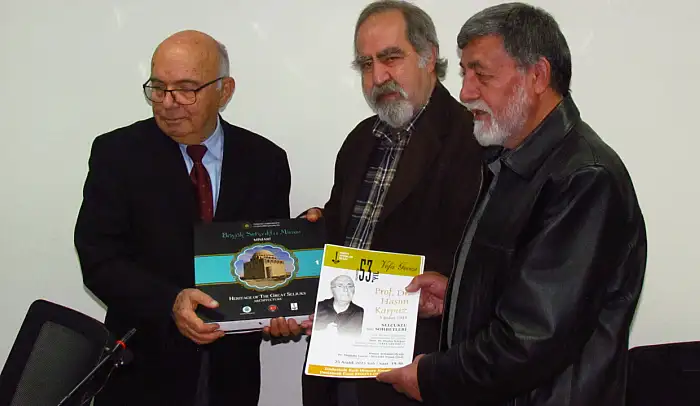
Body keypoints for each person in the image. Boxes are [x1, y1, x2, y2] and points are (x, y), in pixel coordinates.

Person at [375, 3, 648, 405]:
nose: (466, 92)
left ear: (538, 76)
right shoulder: (512, 161)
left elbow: (530, 340)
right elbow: (534, 299)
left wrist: (433, 377)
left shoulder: (585, 179)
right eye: (464, 73)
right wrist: (458, 299)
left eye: (481, 75)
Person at [264, 1, 485, 405]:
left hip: (415, 374)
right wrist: (291, 282)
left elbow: (485, 266)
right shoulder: (360, 139)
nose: (378, 76)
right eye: (366, 64)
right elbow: (343, 238)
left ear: (429, 56)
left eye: (390, 58)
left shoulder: (476, 140)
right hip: (335, 361)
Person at [74, 30, 291, 406]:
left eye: (187, 89)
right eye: (158, 88)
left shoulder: (265, 160)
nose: (169, 103)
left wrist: (281, 306)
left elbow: (269, 258)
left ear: (224, 91)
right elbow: (99, 260)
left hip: (231, 376)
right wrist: (170, 302)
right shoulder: (117, 154)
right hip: (142, 372)